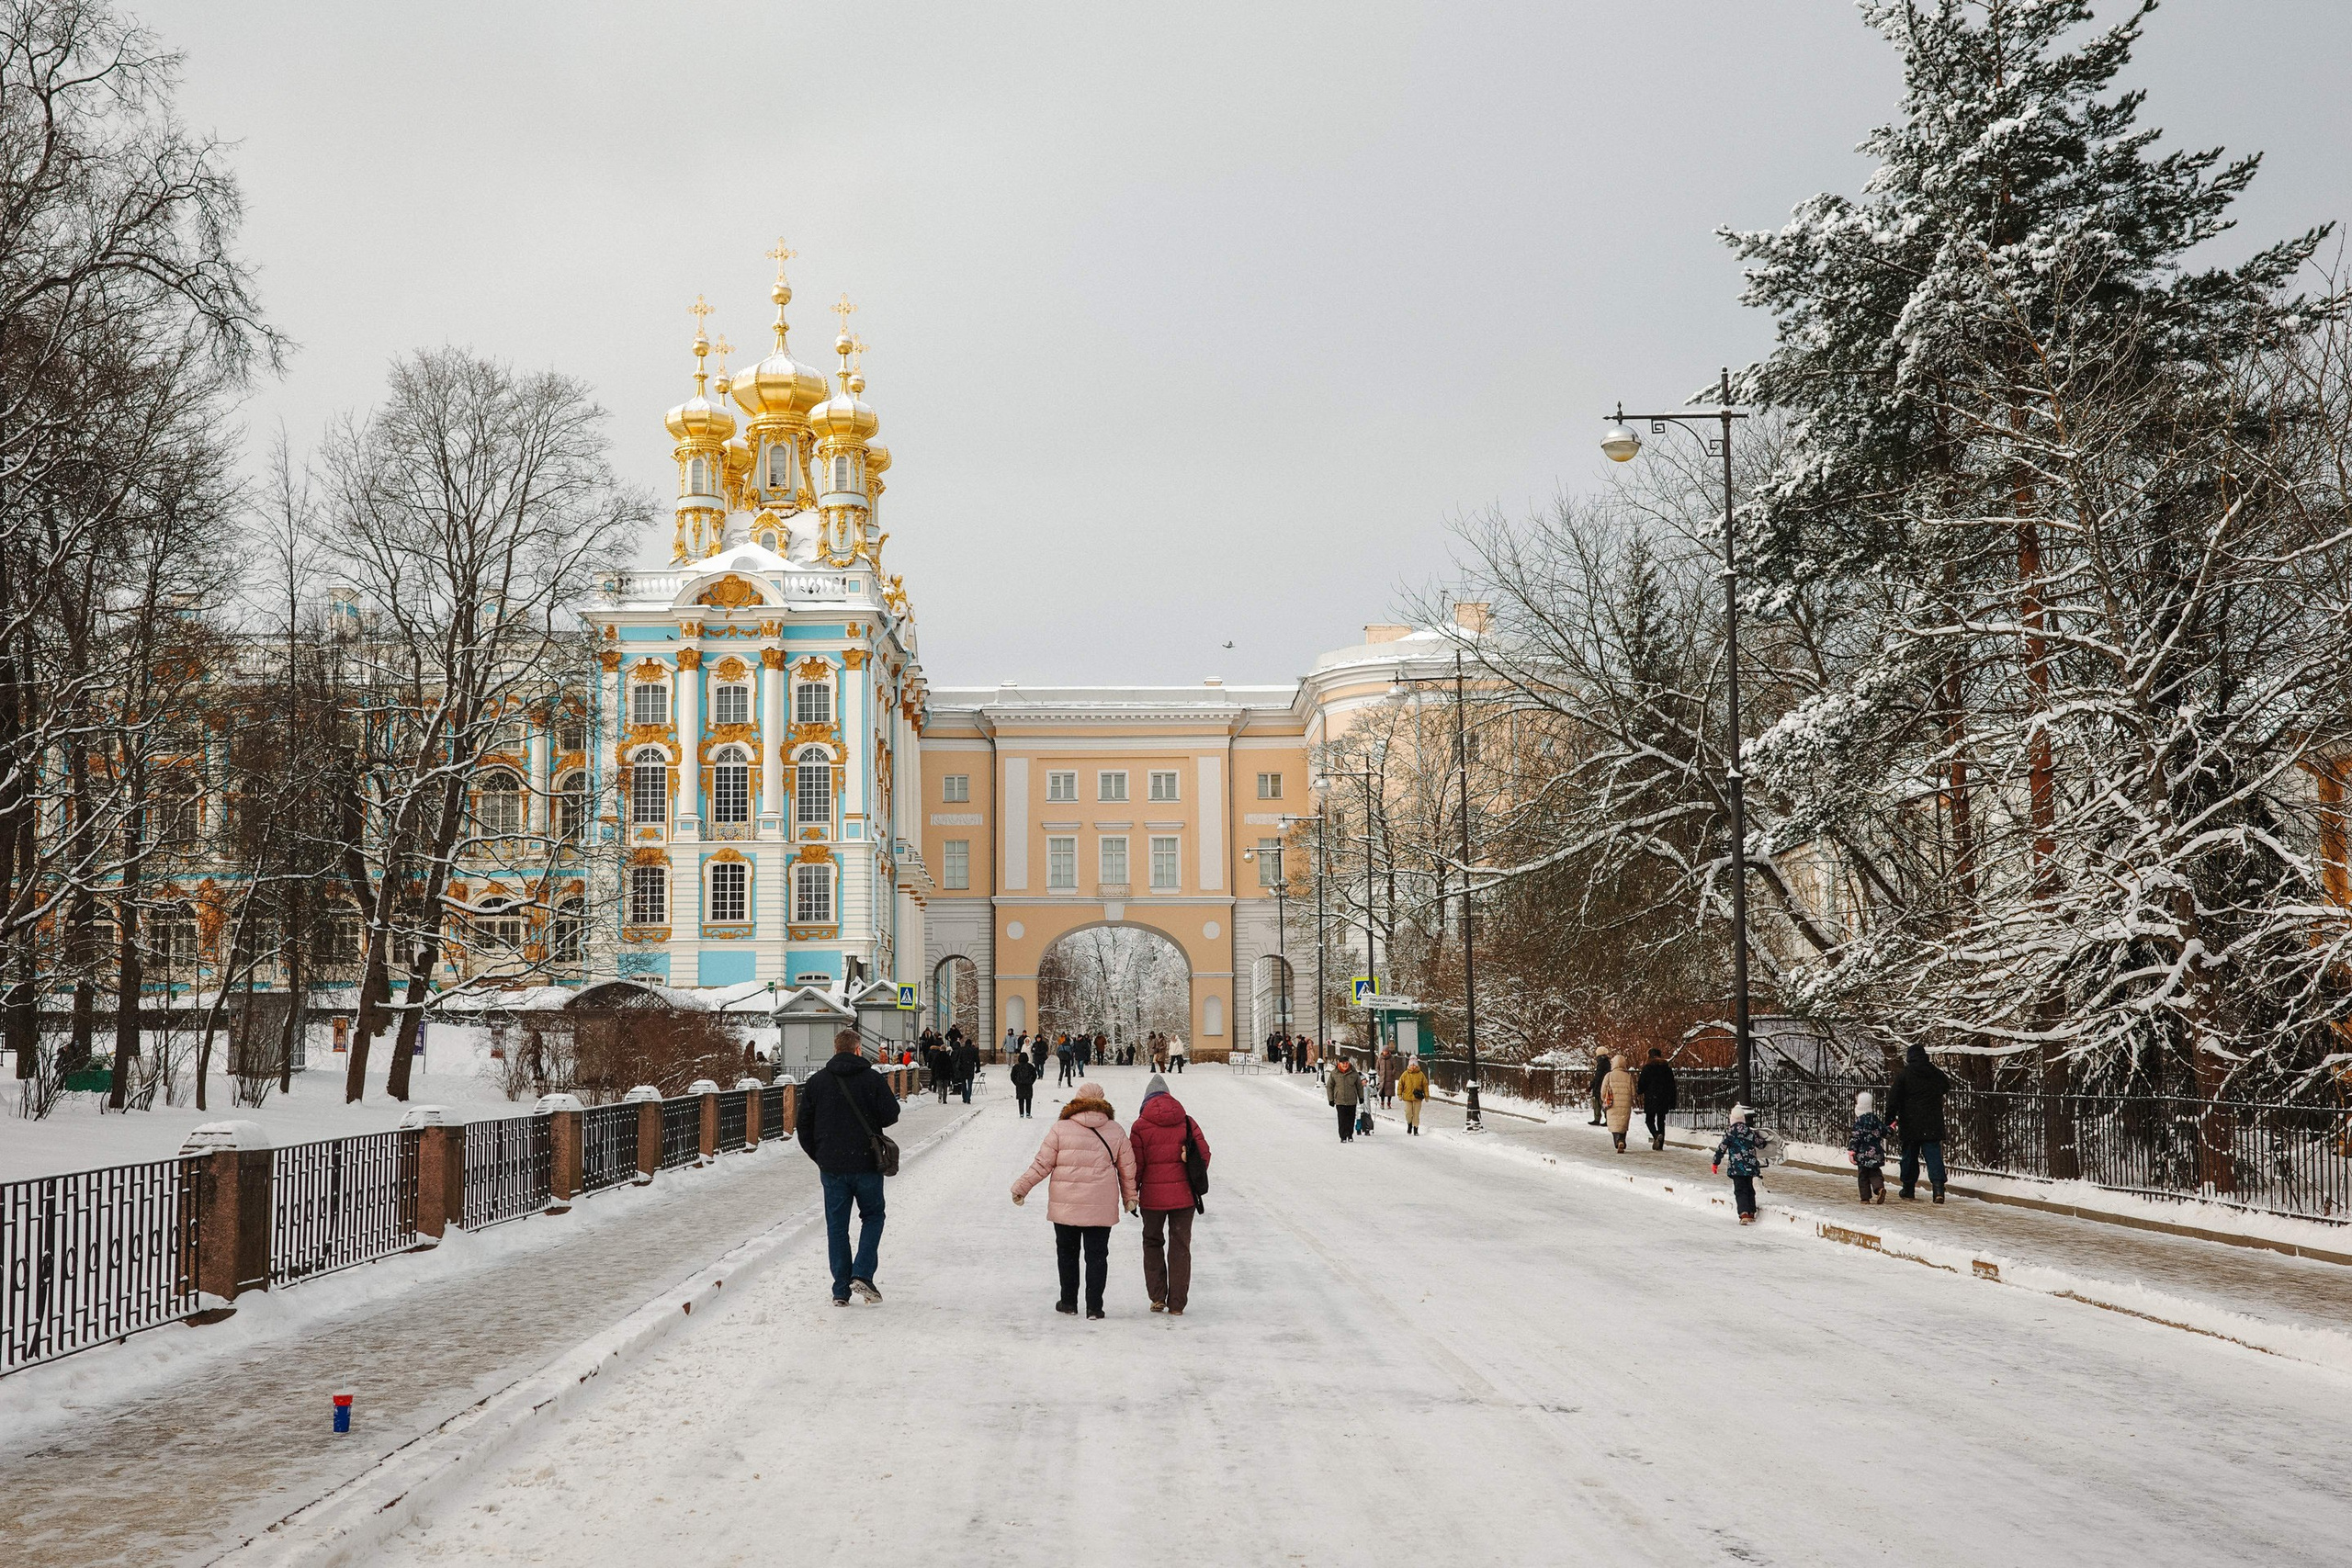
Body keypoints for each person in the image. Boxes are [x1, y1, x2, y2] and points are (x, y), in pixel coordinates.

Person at [1011, 1078, 1136, 1319]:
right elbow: (1127, 1168)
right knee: (1097, 1256)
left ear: (1077, 1101)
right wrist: (1130, 1197)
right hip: (1100, 1205)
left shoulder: (1061, 1128)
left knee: (1067, 1254)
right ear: (1102, 1102)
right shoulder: (1115, 1130)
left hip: (1065, 1205)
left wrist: (1022, 1187)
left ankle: (1068, 1302)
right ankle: (1095, 1307)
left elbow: (1042, 1164)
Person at [796, 1028, 902, 1304]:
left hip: (832, 1167)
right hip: (866, 1163)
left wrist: (819, 1156)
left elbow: (803, 1126)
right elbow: (892, 1114)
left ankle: (840, 1290)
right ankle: (863, 1274)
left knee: (837, 1226)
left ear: (835, 1049)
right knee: (873, 1216)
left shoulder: (817, 1082)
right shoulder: (871, 1079)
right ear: (857, 1050)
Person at [1127, 1072, 1210, 1314]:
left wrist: (1132, 1192)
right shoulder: (1187, 1122)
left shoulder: (1140, 1126)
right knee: (1180, 1246)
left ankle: (1157, 1297)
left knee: (1152, 1242)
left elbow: (1136, 1166)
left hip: (1152, 1201)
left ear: (1147, 1100)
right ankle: (1177, 1304)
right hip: (1184, 1198)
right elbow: (1203, 1154)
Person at [1883, 1043, 1950, 1202]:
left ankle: (1908, 1188)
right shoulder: (1935, 1073)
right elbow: (1946, 1086)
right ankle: (1938, 1189)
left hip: (1910, 1122)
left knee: (1909, 1156)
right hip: (1932, 1122)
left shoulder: (1904, 1075)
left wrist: (1889, 1119)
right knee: (1933, 1156)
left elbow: (1893, 1099)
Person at [1711, 1106, 1764, 1224]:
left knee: (1740, 1190)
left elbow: (1721, 1148)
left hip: (1737, 1168)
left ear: (1732, 1119)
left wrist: (1715, 1162)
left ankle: (1744, 1212)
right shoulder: (1750, 1132)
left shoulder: (1730, 1133)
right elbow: (1760, 1144)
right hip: (1750, 1166)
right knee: (1750, 1188)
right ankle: (1751, 1212)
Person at [1848, 1089, 1888, 1203]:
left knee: (1863, 1176)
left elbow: (1855, 1138)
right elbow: (1885, 1132)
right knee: (1875, 1173)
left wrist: (1852, 1151)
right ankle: (1879, 1188)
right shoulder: (1875, 1120)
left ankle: (1865, 1198)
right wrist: (1891, 1128)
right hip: (1876, 1153)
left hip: (1862, 1154)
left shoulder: (1859, 1123)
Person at [1634, 1049, 1679, 1151]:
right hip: (1664, 1098)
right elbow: (1672, 1086)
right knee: (1660, 1121)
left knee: (1649, 1120)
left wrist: (1640, 1091)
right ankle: (1660, 1144)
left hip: (1651, 1098)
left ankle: (1656, 1135)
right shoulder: (1666, 1069)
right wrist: (1672, 1101)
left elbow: (1642, 1084)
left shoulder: (1647, 1068)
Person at [1600, 1054, 1636, 1152]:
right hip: (1625, 1105)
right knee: (1623, 1124)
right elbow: (1633, 1092)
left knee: (1614, 1124)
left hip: (1612, 1104)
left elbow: (1603, 1090)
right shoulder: (1628, 1076)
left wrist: (1604, 1099)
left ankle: (1617, 1141)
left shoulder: (1609, 1075)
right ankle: (1622, 1140)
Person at [1327, 1055, 1363, 1142]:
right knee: (1342, 1119)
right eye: (1343, 1063)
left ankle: (1350, 1134)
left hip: (1352, 1100)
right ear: (1339, 1064)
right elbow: (1329, 1087)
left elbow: (1359, 1086)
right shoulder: (1334, 1073)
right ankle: (1343, 1136)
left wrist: (1361, 1097)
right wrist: (1331, 1099)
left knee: (1351, 1119)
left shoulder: (1354, 1073)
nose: (1345, 1065)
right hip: (1340, 1100)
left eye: (1346, 1063)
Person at [1396, 1055, 1429, 1134]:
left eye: (1414, 1065)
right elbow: (1400, 1085)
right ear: (1409, 1065)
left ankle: (1416, 1129)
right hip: (1407, 1097)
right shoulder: (1405, 1074)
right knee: (1408, 1113)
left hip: (1417, 1098)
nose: (1413, 1067)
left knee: (1416, 1114)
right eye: (1411, 1065)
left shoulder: (1421, 1074)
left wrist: (1427, 1095)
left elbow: (1425, 1085)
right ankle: (1409, 1124)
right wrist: (1399, 1094)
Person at [1009, 1051, 1039, 1118]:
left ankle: (1021, 1113)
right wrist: (1031, 1082)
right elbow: (1034, 1075)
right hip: (1028, 1085)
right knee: (1028, 1099)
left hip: (1020, 1085)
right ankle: (1028, 1113)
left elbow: (1012, 1076)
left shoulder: (1016, 1067)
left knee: (1021, 1100)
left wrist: (1016, 1083)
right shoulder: (1030, 1066)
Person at [952, 1032, 980, 1104]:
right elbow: (977, 1060)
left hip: (962, 1069)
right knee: (970, 1084)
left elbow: (958, 1059)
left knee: (963, 1084)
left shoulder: (962, 1050)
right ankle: (968, 1098)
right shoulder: (974, 1050)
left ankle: (964, 1097)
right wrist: (978, 1069)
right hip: (970, 1069)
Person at [1588, 1052, 1611, 1126]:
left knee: (1599, 1103)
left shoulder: (1601, 1064)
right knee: (1601, 1103)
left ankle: (1598, 1119)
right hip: (1602, 1085)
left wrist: (1591, 1086)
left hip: (1599, 1086)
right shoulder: (1607, 1063)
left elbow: (1597, 1076)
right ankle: (1605, 1119)